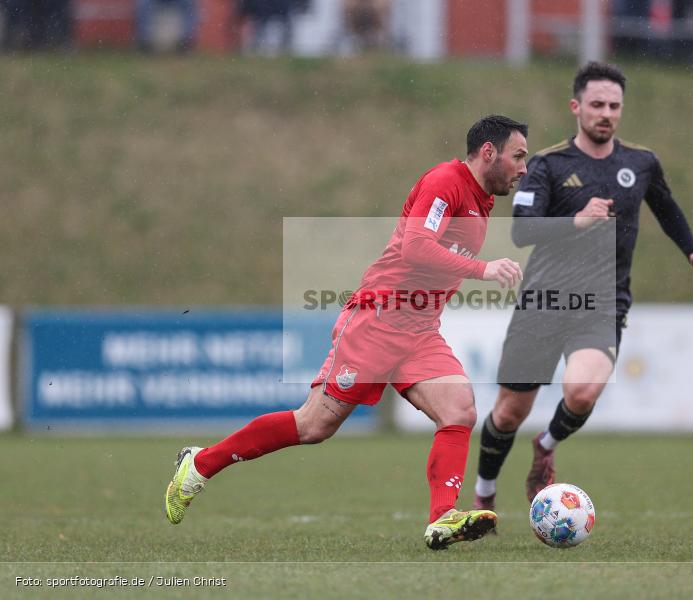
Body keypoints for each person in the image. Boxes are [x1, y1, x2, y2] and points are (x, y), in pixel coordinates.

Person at [165, 115, 529, 550]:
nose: (523, 166)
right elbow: (416, 247)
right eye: (518, 155)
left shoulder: (479, 200)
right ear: (489, 152)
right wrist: (482, 269)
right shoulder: (444, 182)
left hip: (419, 330)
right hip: (377, 321)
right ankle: (201, 464)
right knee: (313, 425)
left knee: (459, 410)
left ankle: (442, 517)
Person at [472, 63, 693, 511]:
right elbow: (523, 232)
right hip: (544, 300)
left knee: (583, 391)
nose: (606, 113)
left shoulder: (640, 163)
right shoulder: (547, 163)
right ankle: (484, 492)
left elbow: (667, 208)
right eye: (597, 104)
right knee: (510, 412)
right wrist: (578, 221)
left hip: (602, 302)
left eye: (614, 106)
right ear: (576, 107)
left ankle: (545, 446)